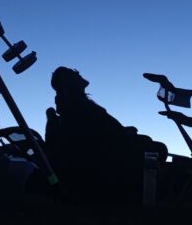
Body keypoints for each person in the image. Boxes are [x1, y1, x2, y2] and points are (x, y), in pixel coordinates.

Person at [45, 66, 167, 204]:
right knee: (156, 148)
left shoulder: (74, 105)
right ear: (69, 82)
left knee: (149, 144)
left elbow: (99, 130)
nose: (78, 73)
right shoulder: (76, 106)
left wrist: (124, 131)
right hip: (105, 156)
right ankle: (147, 198)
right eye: (74, 73)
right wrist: (123, 133)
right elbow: (96, 136)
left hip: (107, 149)